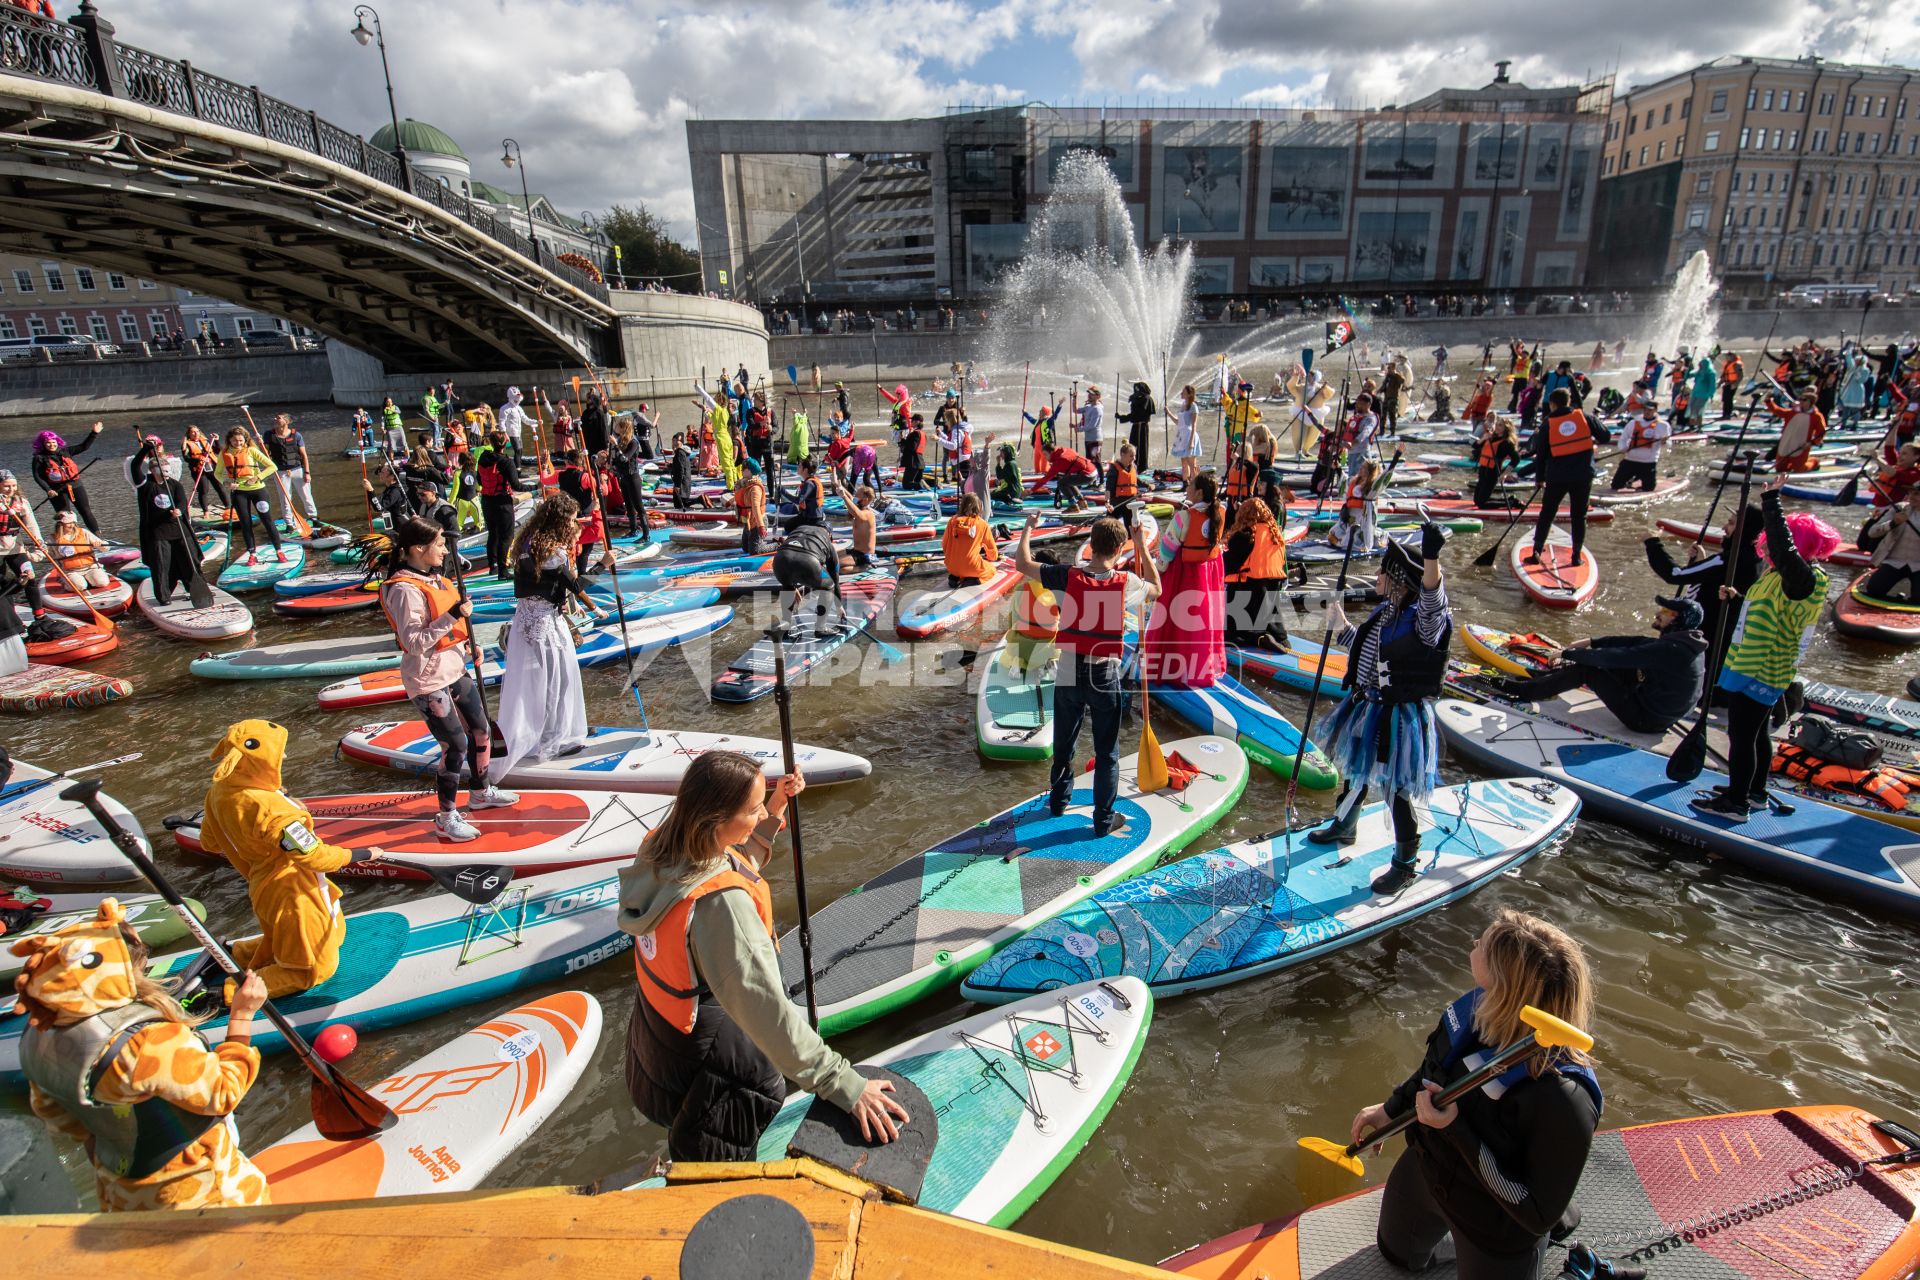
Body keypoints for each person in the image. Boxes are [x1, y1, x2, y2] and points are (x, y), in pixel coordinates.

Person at [617, 751, 909, 1160]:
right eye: (752, 809)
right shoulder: (723, 910)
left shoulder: (661, 847)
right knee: (724, 1173)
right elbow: (769, 1013)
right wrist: (845, 1085)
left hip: (658, 1045)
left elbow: (730, 862)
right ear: (717, 820)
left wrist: (772, 812)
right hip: (716, 1072)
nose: (758, 816)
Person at [1350, 910, 1600, 1280]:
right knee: (1396, 1257)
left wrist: (1455, 1129)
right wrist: (1391, 1109)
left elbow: (1535, 1214)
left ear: (1503, 980)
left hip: (1498, 1221)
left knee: (1544, 1221)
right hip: (1430, 1170)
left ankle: (1573, 1263)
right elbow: (1433, 1072)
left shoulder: (1564, 1096)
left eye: (1481, 944)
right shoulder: (1478, 1010)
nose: (1473, 944)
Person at [12, 900, 275, 1212]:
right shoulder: (146, 1042)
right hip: (195, 1187)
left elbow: (67, 1124)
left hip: (118, 1188)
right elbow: (224, 1091)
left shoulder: (35, 1037)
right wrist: (243, 1014)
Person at [193, 717, 385, 1004]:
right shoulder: (274, 811)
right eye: (278, 751)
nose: (283, 756)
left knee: (333, 930)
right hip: (293, 892)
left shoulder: (220, 790)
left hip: (261, 885)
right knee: (313, 969)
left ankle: (239, 954)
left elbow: (209, 840)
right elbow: (315, 857)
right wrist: (361, 854)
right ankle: (226, 995)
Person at [1312, 525, 1452, 895]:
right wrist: (1340, 626)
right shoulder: (1387, 612)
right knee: (1355, 772)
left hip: (1400, 716)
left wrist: (1433, 559)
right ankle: (1345, 824)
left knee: (1395, 789)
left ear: (1398, 580)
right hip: (1369, 705)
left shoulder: (1421, 620)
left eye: (1381, 571)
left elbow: (1434, 605)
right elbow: (1369, 648)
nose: (1374, 576)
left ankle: (1405, 864)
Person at [1692, 480, 1836, 820]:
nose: (1767, 548)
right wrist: (1739, 598)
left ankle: (1736, 804)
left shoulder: (1803, 578)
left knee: (1740, 737)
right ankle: (1754, 792)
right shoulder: (1782, 579)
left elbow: (1785, 549)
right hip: (1757, 665)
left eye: (1771, 542)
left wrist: (1770, 501)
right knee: (1755, 734)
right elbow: (1777, 613)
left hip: (1762, 669)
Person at [1013, 514, 1161, 838]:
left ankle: (1058, 804)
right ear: (1120, 548)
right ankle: (1103, 822)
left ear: (1090, 546)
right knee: (1106, 754)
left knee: (1063, 745)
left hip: (1068, 670)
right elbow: (1157, 589)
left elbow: (1022, 563)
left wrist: (1028, 527)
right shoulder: (1126, 582)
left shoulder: (1067, 576)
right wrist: (1141, 546)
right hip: (1104, 674)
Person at [380, 517, 518, 840]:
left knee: (482, 731)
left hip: (455, 668)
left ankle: (481, 792)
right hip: (427, 680)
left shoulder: (436, 578)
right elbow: (413, 642)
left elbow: (453, 625)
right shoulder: (403, 590)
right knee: (455, 745)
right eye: (439, 544)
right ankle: (446, 816)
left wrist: (471, 644)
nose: (444, 550)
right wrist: (453, 616)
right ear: (418, 549)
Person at [1487, 597, 1708, 734]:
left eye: (1667, 612)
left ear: (1678, 620)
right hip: (1662, 715)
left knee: (1589, 670)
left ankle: (1522, 691)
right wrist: (1592, 642)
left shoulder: (1669, 650)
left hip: (1646, 721)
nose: (1659, 613)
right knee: (1616, 663)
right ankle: (1546, 680)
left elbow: (1613, 657)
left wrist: (1568, 653)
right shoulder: (1687, 643)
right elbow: (1634, 642)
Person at [498, 496, 602, 776]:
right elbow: (576, 582)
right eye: (571, 519)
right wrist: (603, 564)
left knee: (548, 680)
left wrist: (573, 603)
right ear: (559, 521)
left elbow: (549, 583)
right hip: (544, 626)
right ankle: (551, 740)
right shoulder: (551, 551)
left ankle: (560, 730)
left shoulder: (528, 542)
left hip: (530, 619)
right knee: (557, 681)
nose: (574, 523)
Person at [1144, 474, 1226, 686]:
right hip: (1208, 575)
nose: (1187, 488)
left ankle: (1172, 669)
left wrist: (1156, 571)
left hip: (1182, 576)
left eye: (1190, 485)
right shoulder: (1220, 512)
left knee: (1175, 622)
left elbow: (1167, 550)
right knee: (1202, 623)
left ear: (1199, 492)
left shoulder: (1184, 517)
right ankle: (1201, 668)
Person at [1526, 389, 1610, 571]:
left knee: (1547, 514)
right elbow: (1606, 436)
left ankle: (1536, 552)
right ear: (1569, 401)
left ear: (1552, 404)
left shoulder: (1548, 425)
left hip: (1557, 477)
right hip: (1583, 476)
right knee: (1579, 516)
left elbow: (1541, 456)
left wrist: (1539, 479)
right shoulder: (1586, 418)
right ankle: (1576, 556)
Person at [129, 438, 207, 607]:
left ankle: (194, 588)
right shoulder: (145, 484)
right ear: (152, 470)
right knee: (161, 565)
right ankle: (164, 596)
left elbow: (181, 503)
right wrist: (145, 449)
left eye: (167, 469)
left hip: (179, 530)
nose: (165, 472)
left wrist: (178, 510)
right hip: (158, 533)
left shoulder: (175, 485)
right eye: (162, 469)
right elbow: (134, 466)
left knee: (190, 560)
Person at [215, 426, 286, 561]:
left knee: (267, 521)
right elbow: (217, 473)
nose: (239, 443)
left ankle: (279, 550)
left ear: (245, 440)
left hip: (258, 490)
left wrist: (257, 477)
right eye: (235, 441)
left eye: (241, 441)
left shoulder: (251, 450)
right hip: (238, 492)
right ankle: (252, 554)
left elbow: (273, 467)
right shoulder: (224, 453)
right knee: (245, 523)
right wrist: (226, 483)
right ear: (229, 440)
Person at [31, 424, 105, 533]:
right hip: (56, 490)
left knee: (85, 511)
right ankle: (69, 539)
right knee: (65, 517)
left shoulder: (66, 451)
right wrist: (48, 490)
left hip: (75, 485)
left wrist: (94, 433)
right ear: (43, 444)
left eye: (53, 442)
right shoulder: (39, 458)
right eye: (48, 442)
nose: (51, 445)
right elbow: (38, 477)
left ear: (57, 442)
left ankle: (98, 537)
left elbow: (84, 446)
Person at [772, 518, 844, 625]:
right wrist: (839, 606)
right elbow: (835, 578)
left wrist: (792, 585)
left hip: (779, 561)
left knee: (787, 587)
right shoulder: (827, 540)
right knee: (829, 585)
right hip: (807, 561)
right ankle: (821, 627)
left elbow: (791, 551)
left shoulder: (800, 528)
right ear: (830, 535)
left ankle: (786, 625)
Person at [1860, 501, 1920, 601]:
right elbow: (1872, 532)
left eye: (1917, 494)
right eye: (1911, 493)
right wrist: (1893, 523)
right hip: (1894, 562)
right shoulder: (1899, 509)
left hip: (1918, 565)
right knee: (1874, 589)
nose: (1912, 497)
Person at [941, 492, 999, 589]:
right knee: (992, 570)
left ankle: (955, 577)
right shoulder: (982, 524)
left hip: (951, 566)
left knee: (962, 567)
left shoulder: (952, 521)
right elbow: (993, 554)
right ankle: (974, 579)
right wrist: (990, 557)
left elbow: (944, 544)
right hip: (972, 567)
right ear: (978, 507)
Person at [1609, 401, 1670, 493]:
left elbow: (1669, 445)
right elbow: (1623, 438)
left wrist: (1664, 442)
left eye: (1650, 410)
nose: (1647, 412)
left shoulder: (1663, 426)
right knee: (1615, 485)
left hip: (1648, 462)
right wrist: (1623, 448)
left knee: (1648, 488)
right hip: (1630, 460)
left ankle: (1638, 477)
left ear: (1655, 410)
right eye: (1645, 409)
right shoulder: (1633, 423)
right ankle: (1632, 479)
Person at [265, 415, 316, 524]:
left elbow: (304, 455)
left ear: (286, 421)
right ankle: (289, 522)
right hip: (280, 471)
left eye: (279, 417)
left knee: (306, 495)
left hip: (297, 469)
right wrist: (261, 445)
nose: (275, 419)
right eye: (275, 418)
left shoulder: (296, 435)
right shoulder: (269, 435)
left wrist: (307, 472)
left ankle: (313, 517)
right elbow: (266, 455)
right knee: (285, 498)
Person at [825, 471, 879, 569]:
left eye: (858, 497)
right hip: (855, 550)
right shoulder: (861, 507)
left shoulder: (868, 514)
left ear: (866, 499)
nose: (855, 498)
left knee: (834, 566)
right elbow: (850, 498)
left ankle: (864, 567)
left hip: (865, 555)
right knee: (828, 558)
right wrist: (836, 484)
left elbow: (857, 514)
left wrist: (843, 496)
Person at [1766, 387, 1827, 474]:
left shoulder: (1816, 416)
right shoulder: (1793, 412)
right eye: (1800, 399)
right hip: (1786, 443)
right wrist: (1769, 401)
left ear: (1810, 402)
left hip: (1801, 445)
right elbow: (1778, 411)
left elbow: (1821, 432)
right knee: (1780, 469)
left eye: (1804, 400)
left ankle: (1814, 462)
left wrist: (1811, 443)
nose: (1801, 401)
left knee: (1799, 470)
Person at [609, 416, 648, 536]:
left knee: (638, 506)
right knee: (629, 506)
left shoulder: (634, 442)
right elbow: (617, 460)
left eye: (619, 426)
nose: (617, 428)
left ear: (624, 428)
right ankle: (633, 529)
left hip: (633, 477)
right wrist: (610, 464)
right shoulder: (621, 440)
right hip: (624, 477)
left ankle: (646, 534)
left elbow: (625, 459)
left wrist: (615, 445)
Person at [1472, 419, 1519, 508]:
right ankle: (1510, 500)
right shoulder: (1491, 437)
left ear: (1506, 428)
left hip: (1492, 472)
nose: (1497, 427)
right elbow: (1475, 445)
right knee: (1476, 501)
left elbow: (1516, 459)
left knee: (1481, 504)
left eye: (1500, 425)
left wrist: (1505, 474)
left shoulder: (1507, 442)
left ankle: (1513, 503)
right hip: (1483, 469)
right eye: (1496, 424)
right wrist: (1484, 438)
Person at [180, 425, 226, 516]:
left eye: (197, 431)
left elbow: (218, 450)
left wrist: (216, 440)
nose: (196, 433)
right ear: (189, 434)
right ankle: (206, 512)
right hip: (199, 470)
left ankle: (228, 507)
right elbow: (186, 458)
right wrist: (199, 459)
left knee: (220, 488)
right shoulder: (187, 444)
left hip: (212, 468)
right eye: (193, 432)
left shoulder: (205, 441)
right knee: (204, 490)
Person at [1040, 442, 1097, 512]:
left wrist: (1031, 490)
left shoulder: (1060, 459)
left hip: (1088, 474)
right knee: (1067, 481)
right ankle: (1082, 502)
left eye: (1045, 454)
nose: (1044, 457)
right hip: (1093, 472)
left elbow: (1046, 478)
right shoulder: (1064, 451)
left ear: (1051, 452)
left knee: (1061, 483)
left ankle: (1073, 506)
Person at [734, 460, 769, 555]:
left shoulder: (755, 488)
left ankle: (778, 544)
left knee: (755, 551)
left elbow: (756, 508)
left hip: (757, 522)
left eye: (743, 469)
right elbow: (741, 496)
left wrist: (761, 527)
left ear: (750, 471)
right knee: (745, 548)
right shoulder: (745, 484)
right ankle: (760, 543)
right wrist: (729, 502)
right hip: (748, 521)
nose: (741, 470)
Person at [1119, 380, 1156, 469]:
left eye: (1138, 389)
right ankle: (1132, 465)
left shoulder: (1146, 398)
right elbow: (1133, 414)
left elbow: (1139, 413)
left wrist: (1124, 417)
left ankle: (1141, 466)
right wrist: (1121, 417)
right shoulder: (1137, 398)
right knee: (1133, 445)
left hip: (1141, 426)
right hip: (1135, 426)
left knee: (1141, 447)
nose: (1136, 391)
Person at [1106, 441, 1142, 527]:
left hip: (1130, 502)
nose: (1134, 458)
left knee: (1130, 526)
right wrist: (1107, 503)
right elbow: (1108, 488)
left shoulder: (1133, 467)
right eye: (1131, 456)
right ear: (1122, 454)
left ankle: (1130, 537)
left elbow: (1135, 480)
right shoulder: (1114, 469)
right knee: (1110, 527)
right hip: (1116, 503)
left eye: (1134, 456)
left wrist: (1148, 485)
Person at [1172, 384, 1202, 483]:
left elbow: (1194, 426)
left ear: (1189, 394)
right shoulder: (1183, 405)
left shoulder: (1194, 407)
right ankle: (1186, 484)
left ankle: (1196, 484)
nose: (1181, 393)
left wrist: (1192, 441)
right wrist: (1168, 413)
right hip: (1182, 436)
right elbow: (1178, 422)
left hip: (1190, 436)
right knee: (1184, 462)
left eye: (1183, 392)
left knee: (1191, 463)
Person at [1074, 386, 1106, 470]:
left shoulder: (1097, 409)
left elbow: (1092, 425)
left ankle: (1102, 481)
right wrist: (1074, 399)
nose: (1089, 396)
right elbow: (1075, 410)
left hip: (1095, 439)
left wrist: (1079, 429)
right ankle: (1093, 479)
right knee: (1089, 460)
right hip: (1088, 438)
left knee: (1096, 460)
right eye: (1089, 394)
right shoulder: (1088, 407)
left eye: (1091, 394)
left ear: (1097, 396)